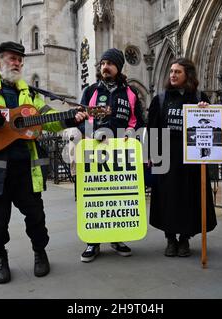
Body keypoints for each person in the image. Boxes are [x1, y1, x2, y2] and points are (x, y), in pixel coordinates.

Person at [0, 41, 87, 284]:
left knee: (36, 216)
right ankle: (1, 257)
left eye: (20, 60)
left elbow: (46, 120)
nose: (18, 63)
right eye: (12, 58)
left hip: (25, 168)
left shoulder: (29, 94)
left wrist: (70, 120)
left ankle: (40, 252)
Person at [78, 48, 145, 262]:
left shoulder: (131, 93)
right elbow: (81, 118)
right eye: (102, 63)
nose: (105, 67)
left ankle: (117, 238)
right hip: (94, 153)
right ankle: (92, 241)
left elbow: (137, 121)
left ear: (118, 68)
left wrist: (131, 132)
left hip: (121, 155)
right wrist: (93, 134)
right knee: (93, 197)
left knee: (119, 195)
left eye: (109, 63)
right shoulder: (90, 92)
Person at [147, 58, 217, 257]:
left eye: (177, 71)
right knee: (167, 198)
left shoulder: (198, 97)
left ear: (188, 74)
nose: (172, 75)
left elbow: (210, 127)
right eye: (171, 71)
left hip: (190, 158)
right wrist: (151, 154)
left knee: (189, 198)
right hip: (166, 157)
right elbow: (152, 128)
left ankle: (185, 239)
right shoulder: (160, 99)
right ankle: (170, 239)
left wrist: (207, 110)